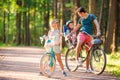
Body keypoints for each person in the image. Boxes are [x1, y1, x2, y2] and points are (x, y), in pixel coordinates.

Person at [68, 7, 101, 72]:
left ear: (82, 12)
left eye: (79, 14)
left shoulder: (91, 16)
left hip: (90, 35)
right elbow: (77, 27)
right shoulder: (81, 19)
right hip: (82, 33)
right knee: (79, 42)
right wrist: (70, 33)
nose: (79, 15)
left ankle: (87, 68)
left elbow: (97, 24)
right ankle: (77, 60)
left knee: (88, 52)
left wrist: (98, 31)